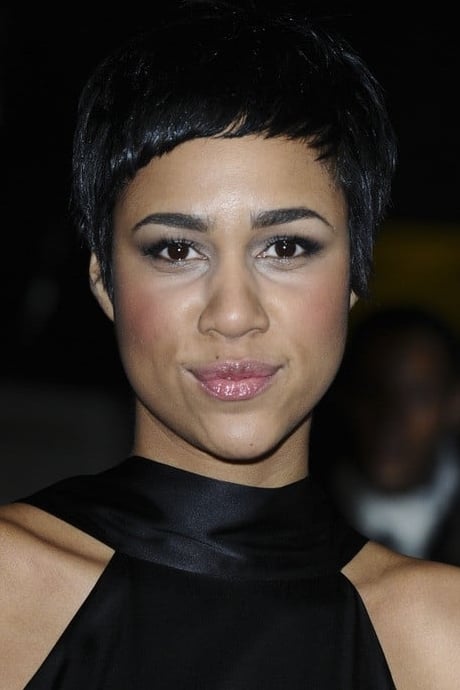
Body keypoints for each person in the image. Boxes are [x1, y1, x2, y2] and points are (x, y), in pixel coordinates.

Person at [1, 2, 459, 688]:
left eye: (286, 247)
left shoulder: (441, 633)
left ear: (356, 274)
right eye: (176, 250)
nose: (234, 314)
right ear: (104, 283)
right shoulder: (10, 588)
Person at [313, 305, 460, 564]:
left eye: (419, 396)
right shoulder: (293, 511)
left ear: (453, 404)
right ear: (342, 394)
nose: (390, 418)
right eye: (370, 390)